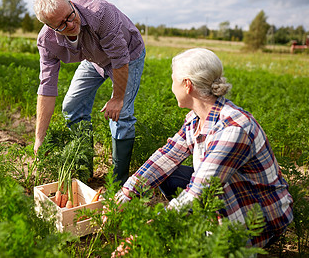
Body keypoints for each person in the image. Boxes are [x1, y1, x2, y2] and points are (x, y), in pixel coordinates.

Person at [115, 48, 293, 248]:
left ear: (187, 85)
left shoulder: (233, 129)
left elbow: (197, 192)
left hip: (259, 218)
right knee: (170, 175)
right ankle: (203, 226)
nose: (172, 87)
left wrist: (147, 233)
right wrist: (126, 193)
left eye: (173, 80)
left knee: (198, 240)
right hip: (225, 190)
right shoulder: (195, 118)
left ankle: (225, 240)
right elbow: (168, 154)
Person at [33, 0, 146, 184]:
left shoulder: (100, 12)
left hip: (128, 55)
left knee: (121, 115)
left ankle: (118, 183)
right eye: (61, 24)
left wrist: (117, 99)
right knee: (71, 106)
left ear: (71, 4)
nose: (70, 24)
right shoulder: (47, 41)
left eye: (70, 15)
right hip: (93, 58)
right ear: (50, 27)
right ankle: (85, 170)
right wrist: (39, 139)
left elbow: (119, 59)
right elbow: (47, 87)